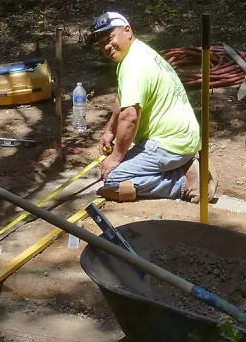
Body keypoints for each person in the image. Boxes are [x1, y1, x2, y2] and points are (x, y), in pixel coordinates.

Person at [89, 11, 212, 202]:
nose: (106, 46)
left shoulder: (133, 65)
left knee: (114, 179)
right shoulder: (136, 53)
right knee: (118, 170)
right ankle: (183, 166)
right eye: (101, 43)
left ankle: (186, 181)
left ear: (127, 31)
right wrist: (110, 131)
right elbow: (123, 99)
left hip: (170, 144)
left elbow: (130, 117)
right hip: (179, 138)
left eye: (110, 38)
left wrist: (115, 157)